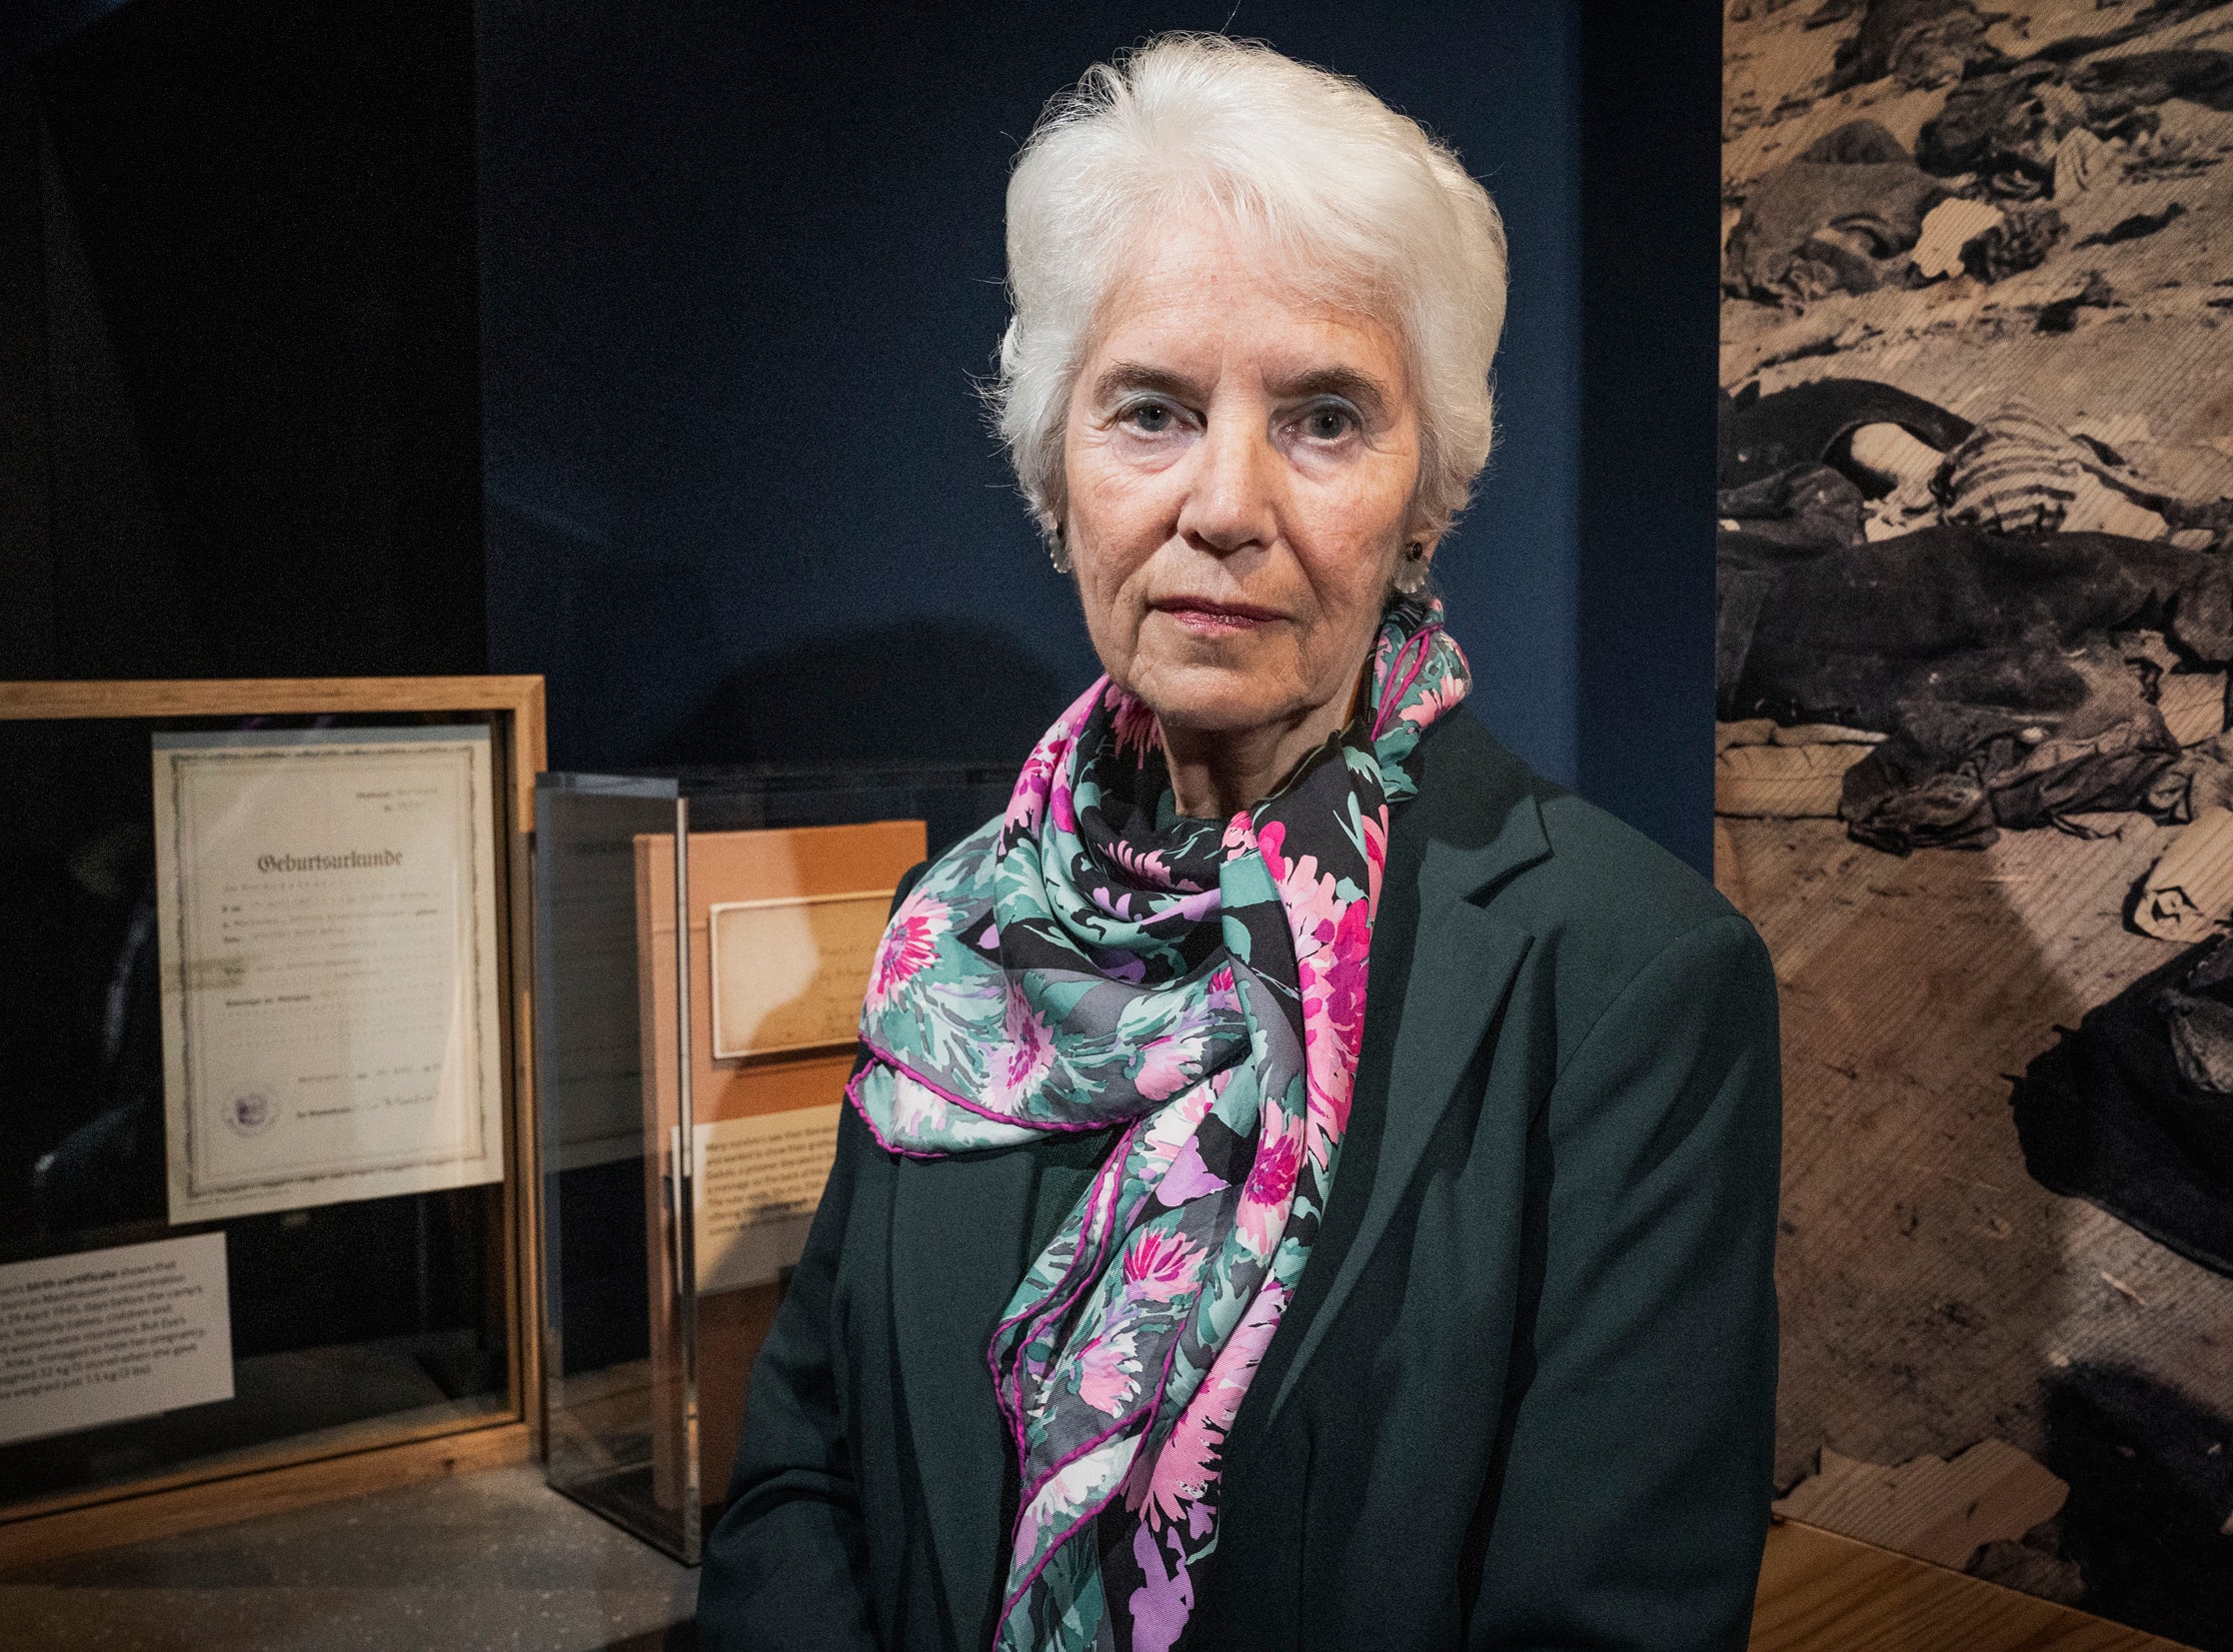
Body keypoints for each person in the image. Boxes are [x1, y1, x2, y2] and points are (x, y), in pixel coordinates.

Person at [698, 34, 1779, 1652]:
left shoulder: (1633, 984)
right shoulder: (956, 934)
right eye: (1151, 410)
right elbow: (804, 1476)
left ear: (1430, 497)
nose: (1225, 501)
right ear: (1057, 475)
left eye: (1325, 417)